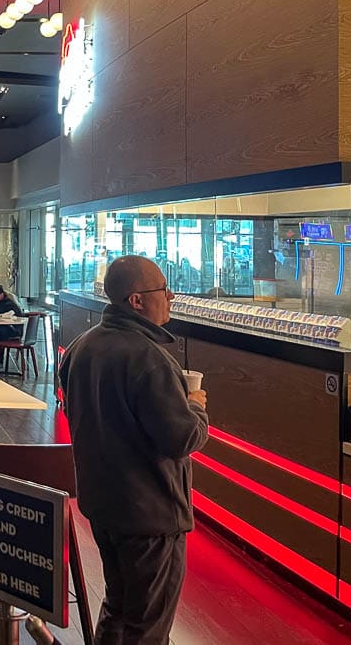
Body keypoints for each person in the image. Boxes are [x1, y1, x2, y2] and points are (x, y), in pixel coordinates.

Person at [58, 255, 209, 645]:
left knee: (118, 609)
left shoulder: (81, 346)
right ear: (137, 300)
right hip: (150, 514)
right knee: (147, 625)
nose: (171, 296)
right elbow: (181, 438)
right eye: (163, 288)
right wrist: (195, 405)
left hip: (103, 505)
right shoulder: (149, 357)